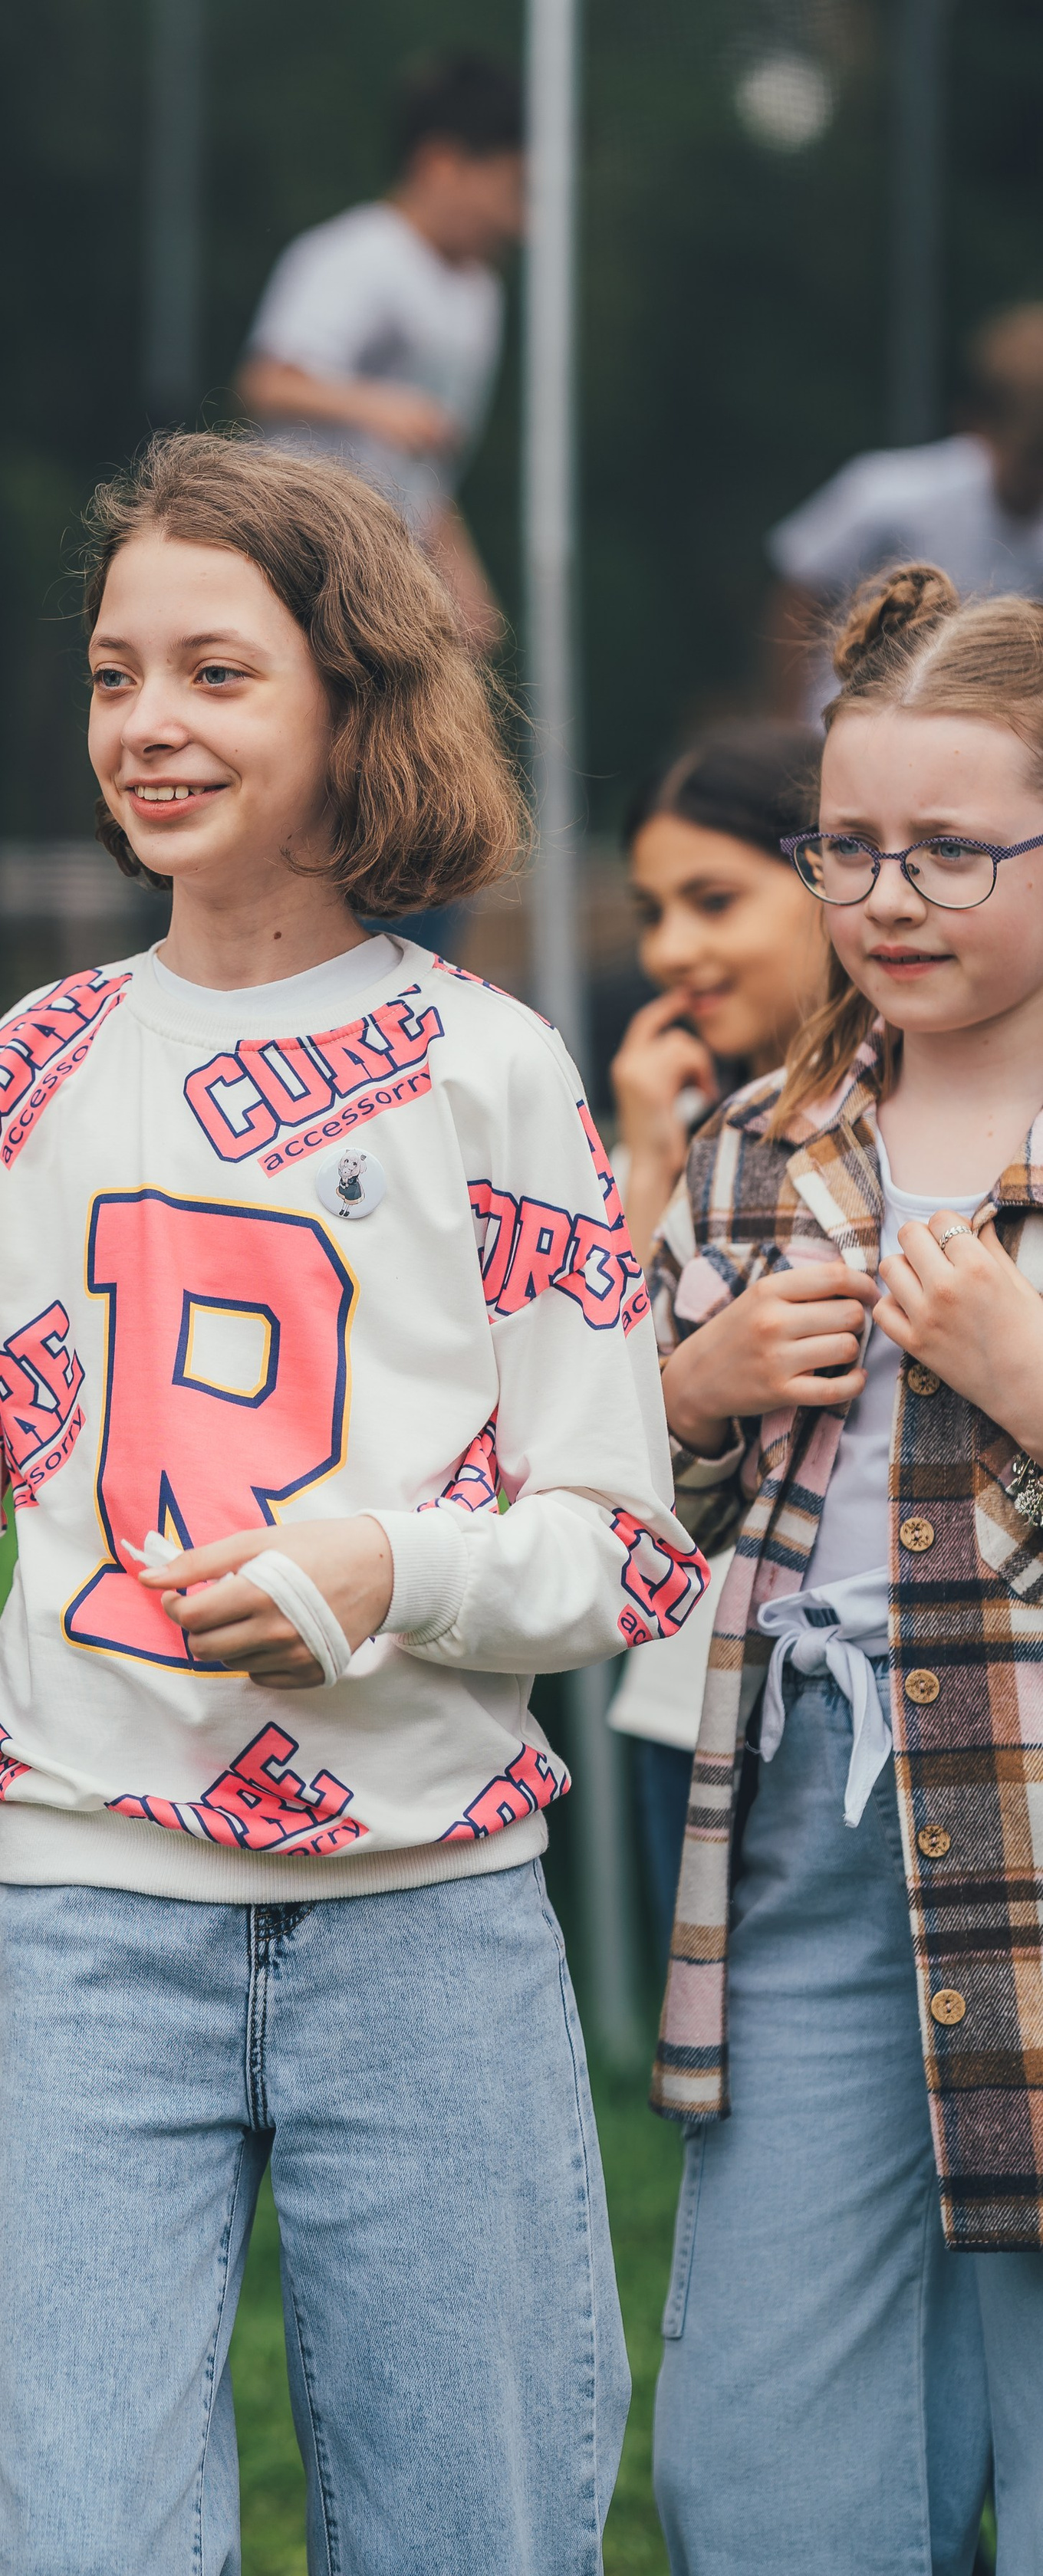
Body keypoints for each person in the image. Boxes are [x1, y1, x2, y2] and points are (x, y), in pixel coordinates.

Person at [0, 433, 706, 2576]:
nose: (147, 725)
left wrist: (387, 1570)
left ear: (352, 702)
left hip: (428, 1920)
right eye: (114, 675)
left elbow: (624, 1544)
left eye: (215, 671)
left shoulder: (491, 1070)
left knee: (470, 2528)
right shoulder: (34, 1064)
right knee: (84, 2534)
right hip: (95, 1917)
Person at [647, 560, 1043, 2574]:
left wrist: (1020, 1369)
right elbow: (623, 1520)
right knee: (760, 2458)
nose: (889, 898)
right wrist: (695, 1388)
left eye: (951, 851)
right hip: (808, 1821)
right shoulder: (756, 1147)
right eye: (848, 847)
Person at [604, 726, 825, 1956]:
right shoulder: (675, 1140)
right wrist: (649, 1157)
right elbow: (584, 1412)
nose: (671, 950)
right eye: (654, 912)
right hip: (683, 1691)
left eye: (714, 900)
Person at [238, 46, 524, 656]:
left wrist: (458, 568)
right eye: (511, 189)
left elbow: (417, 466)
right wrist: (380, 406)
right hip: (297, 552)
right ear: (440, 164)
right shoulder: (357, 256)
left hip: (384, 561)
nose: (519, 221)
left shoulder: (479, 292)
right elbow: (267, 382)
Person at [765, 302, 1043, 720]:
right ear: (982, 425)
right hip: (850, 724)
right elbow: (801, 592)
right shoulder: (891, 494)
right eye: (1033, 456)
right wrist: (786, 723)